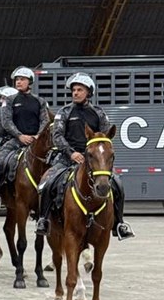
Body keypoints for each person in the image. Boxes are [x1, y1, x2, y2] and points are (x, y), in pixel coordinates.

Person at [35, 72, 134, 239]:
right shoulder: (64, 112)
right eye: (73, 90)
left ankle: (119, 223)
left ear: (88, 92)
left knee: (118, 185)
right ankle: (43, 220)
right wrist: (71, 153)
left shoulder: (99, 113)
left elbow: (105, 137)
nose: (75, 93)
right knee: (47, 183)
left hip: (94, 161)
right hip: (67, 159)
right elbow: (57, 136)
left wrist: (97, 156)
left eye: (79, 89)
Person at [0, 67, 49, 209]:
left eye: (22, 79)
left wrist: (37, 136)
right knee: (0, 163)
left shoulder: (40, 101)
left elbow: (45, 121)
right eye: (17, 80)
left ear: (30, 82)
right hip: (15, 140)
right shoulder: (9, 100)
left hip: (35, 141)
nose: (19, 82)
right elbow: (6, 121)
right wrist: (20, 136)